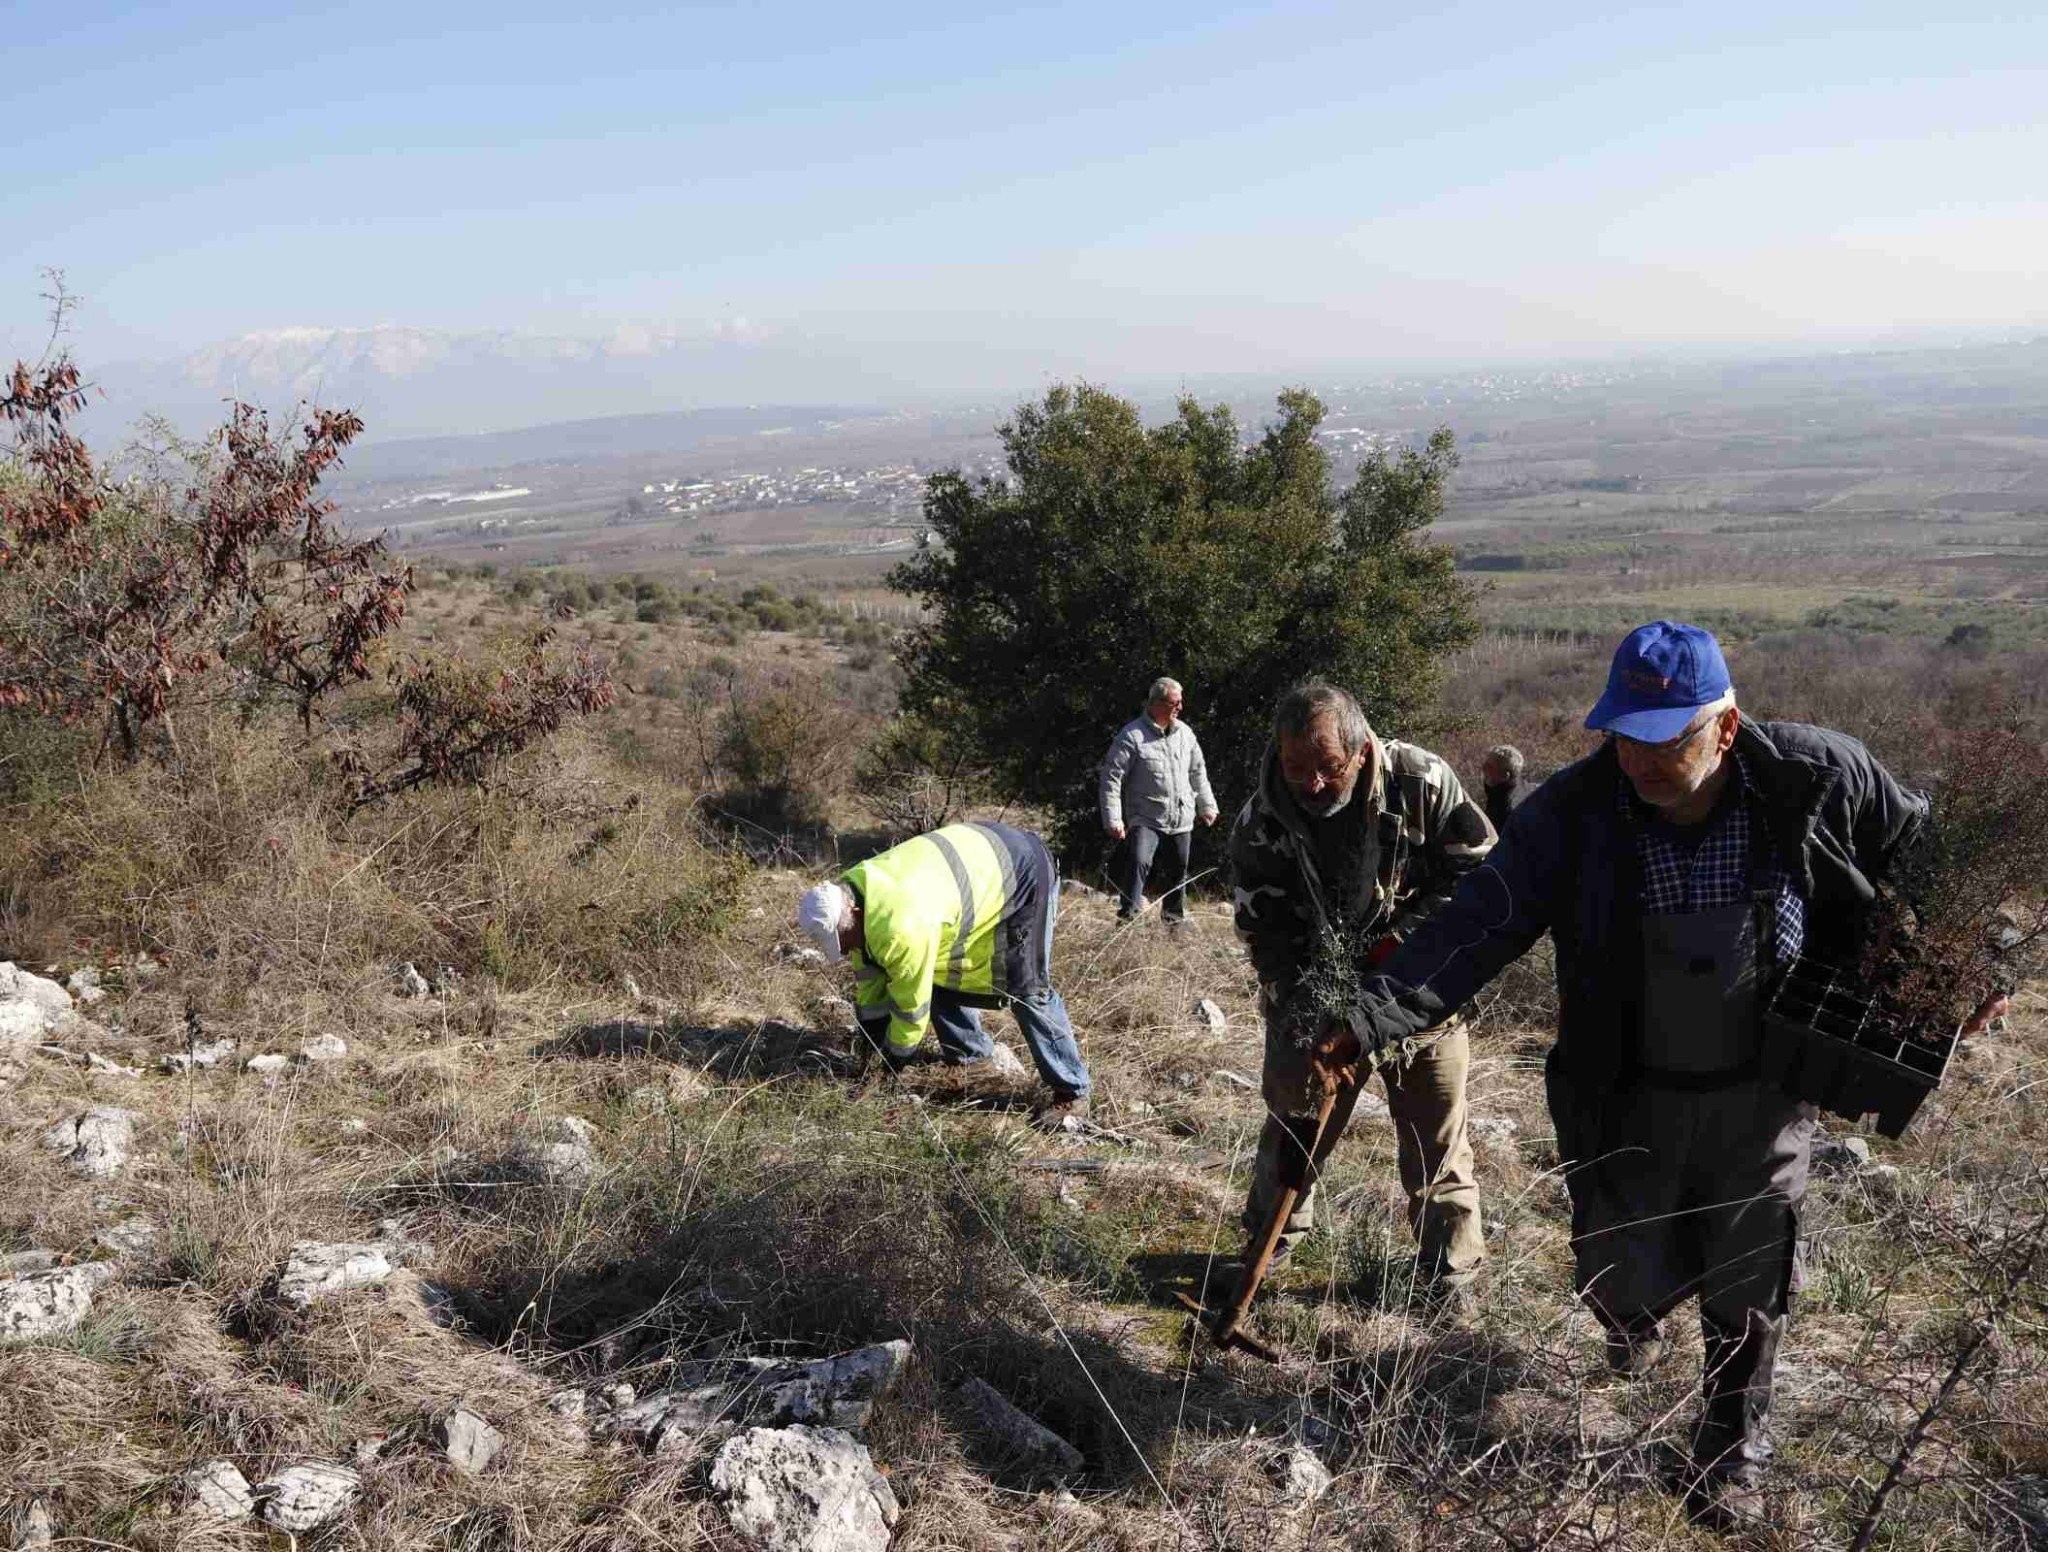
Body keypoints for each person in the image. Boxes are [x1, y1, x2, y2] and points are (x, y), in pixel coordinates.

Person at [1348, 620, 2008, 1528]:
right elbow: (1480, 920)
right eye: (1625, 740)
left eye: (1667, 743)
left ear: (1726, 728)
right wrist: (1375, 1014)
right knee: (1619, 1278)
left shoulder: (1815, 778)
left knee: (1749, 1280)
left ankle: (1729, 1458)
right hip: (1624, 1086)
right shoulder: (1576, 813)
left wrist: (1973, 967)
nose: (1642, 764)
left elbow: (1936, 861)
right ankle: (1637, 1322)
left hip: (1764, 1088)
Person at [1229, 680, 1498, 1304]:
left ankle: (1450, 1277)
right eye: (1297, 768)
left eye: (1328, 768)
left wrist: (1397, 948)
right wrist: (1308, 1018)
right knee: (1295, 1125)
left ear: (1360, 752)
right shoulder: (1261, 820)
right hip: (1316, 1002)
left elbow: (1480, 877)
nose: (1313, 784)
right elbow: (1264, 933)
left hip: (1421, 998)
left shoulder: (1421, 782)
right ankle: (1264, 1255)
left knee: (1438, 1143)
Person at [796, 821, 1092, 1128]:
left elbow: (912, 1015)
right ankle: (972, 1059)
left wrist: (886, 1070)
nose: (843, 950)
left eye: (842, 941)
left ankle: (1072, 1091)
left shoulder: (901, 928)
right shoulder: (852, 893)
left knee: (1028, 987)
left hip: (1022, 870)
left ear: (854, 914)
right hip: (975, 864)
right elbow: (872, 986)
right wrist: (869, 1049)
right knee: (934, 970)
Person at [1099, 677, 1219, 927]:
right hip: (1146, 816)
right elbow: (1112, 778)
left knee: (1178, 870)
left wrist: (1207, 805)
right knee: (1139, 863)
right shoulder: (1131, 736)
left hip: (1181, 818)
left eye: (1181, 703)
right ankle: (1128, 921)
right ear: (1156, 703)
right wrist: (1113, 819)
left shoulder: (1185, 734)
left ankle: (1174, 922)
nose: (1180, 708)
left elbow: (1198, 772)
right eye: (1175, 703)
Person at [1480, 743, 1526, 833]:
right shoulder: (1497, 797)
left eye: (1489, 767)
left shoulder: (1510, 810)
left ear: (1505, 775)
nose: (1483, 768)